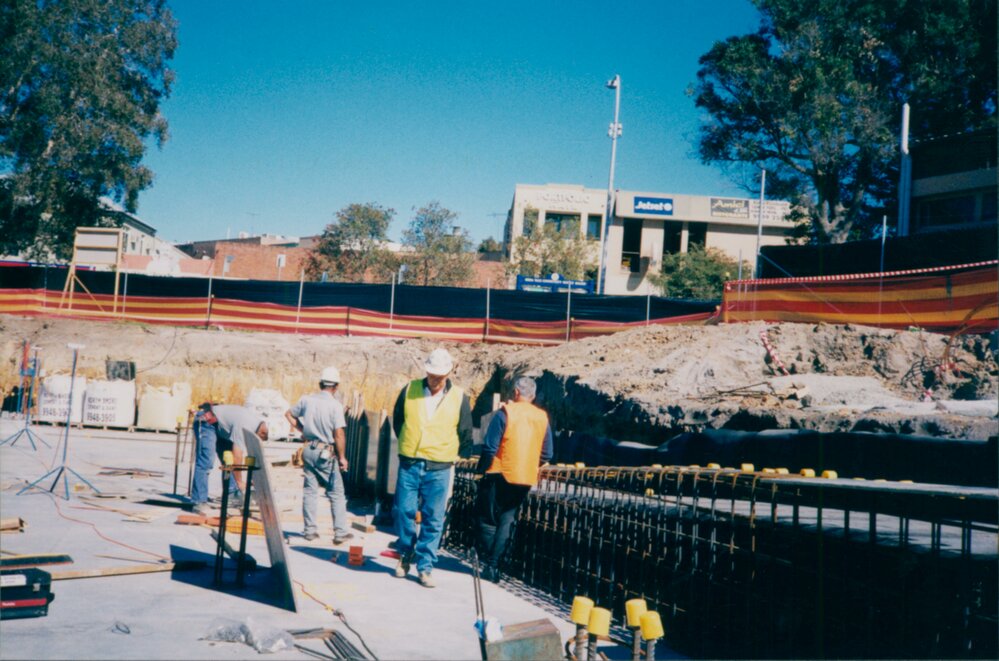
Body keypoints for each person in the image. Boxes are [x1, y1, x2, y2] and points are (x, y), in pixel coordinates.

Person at [392, 348, 473, 588]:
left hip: (439, 466)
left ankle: (425, 566)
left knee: (433, 518)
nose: (435, 380)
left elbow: (465, 430)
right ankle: (406, 553)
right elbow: (398, 421)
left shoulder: (459, 397)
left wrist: (457, 455)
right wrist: (408, 444)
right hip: (410, 462)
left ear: (448, 373)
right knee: (403, 511)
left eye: (440, 376)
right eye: (432, 375)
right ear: (426, 371)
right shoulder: (409, 390)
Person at [475, 376, 553, 582]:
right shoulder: (542, 417)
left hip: (498, 473)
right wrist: (529, 462)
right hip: (524, 477)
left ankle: (489, 563)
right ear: (533, 396)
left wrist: (480, 470)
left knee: (488, 520)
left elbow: (490, 448)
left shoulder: (506, 412)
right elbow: (547, 453)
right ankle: (495, 566)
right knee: (507, 520)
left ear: (516, 392)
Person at [285, 366, 353, 545]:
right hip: (325, 452)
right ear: (336, 386)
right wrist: (342, 457)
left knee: (310, 491)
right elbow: (339, 434)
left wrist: (303, 430)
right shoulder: (335, 406)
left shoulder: (307, 400)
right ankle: (340, 532)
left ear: (320, 384)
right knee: (336, 493)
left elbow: (289, 414)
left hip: (309, 449)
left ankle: (310, 531)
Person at [191, 403, 268, 515]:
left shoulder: (254, 423)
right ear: (262, 432)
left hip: (220, 427)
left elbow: (251, 452)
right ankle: (199, 501)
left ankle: (231, 494)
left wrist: (255, 477)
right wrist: (239, 482)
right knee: (206, 461)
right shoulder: (245, 425)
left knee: (228, 461)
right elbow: (238, 455)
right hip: (206, 421)